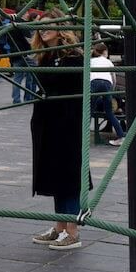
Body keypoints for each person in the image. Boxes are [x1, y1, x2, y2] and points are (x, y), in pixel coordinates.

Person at [29, 26, 89, 250]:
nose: (42, 30)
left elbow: (68, 86)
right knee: (55, 175)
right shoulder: (46, 56)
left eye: (48, 26)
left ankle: (73, 231)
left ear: (61, 30)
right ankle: (60, 227)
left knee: (69, 174)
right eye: (40, 27)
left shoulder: (72, 56)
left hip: (68, 121)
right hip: (48, 121)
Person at [89, 43, 127, 145]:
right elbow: (113, 77)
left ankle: (83, 136)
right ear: (105, 52)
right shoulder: (108, 61)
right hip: (107, 83)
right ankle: (120, 136)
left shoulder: (91, 61)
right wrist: (111, 90)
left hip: (94, 82)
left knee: (89, 110)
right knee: (109, 112)